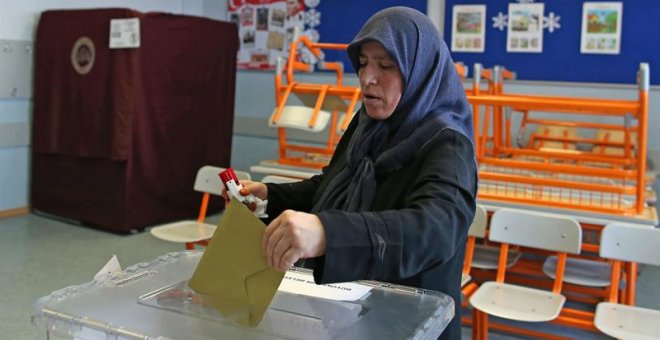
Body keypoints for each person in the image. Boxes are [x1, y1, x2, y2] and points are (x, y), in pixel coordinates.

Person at [230, 7, 477, 339]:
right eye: (363, 63)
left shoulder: (448, 144)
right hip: (347, 310)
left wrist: (329, 233)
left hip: (409, 321)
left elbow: (434, 229)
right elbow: (330, 185)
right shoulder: (369, 125)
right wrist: (270, 195)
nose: (367, 77)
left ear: (421, 70)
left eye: (386, 65)